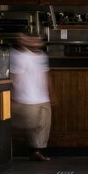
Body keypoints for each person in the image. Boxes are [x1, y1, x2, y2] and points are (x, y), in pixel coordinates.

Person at [10, 33, 52, 162]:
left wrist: (51, 94)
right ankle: (10, 152)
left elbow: (46, 75)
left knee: (42, 127)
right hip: (25, 98)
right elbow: (13, 78)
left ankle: (36, 152)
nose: (36, 42)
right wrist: (12, 97)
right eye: (31, 39)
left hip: (42, 97)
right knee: (26, 127)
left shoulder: (42, 56)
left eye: (38, 40)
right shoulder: (17, 56)